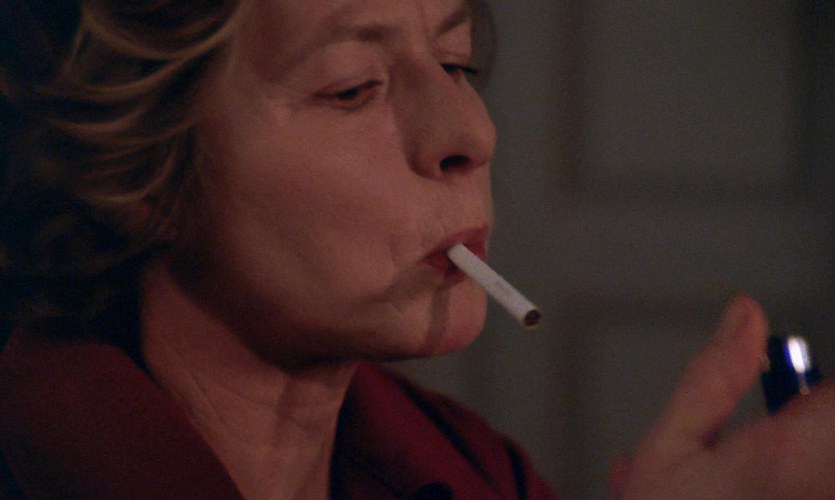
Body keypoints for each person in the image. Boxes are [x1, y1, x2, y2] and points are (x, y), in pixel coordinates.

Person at [1, 1, 834, 499]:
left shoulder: (470, 471)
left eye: (454, 60)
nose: (471, 131)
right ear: (134, 167)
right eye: (352, 88)